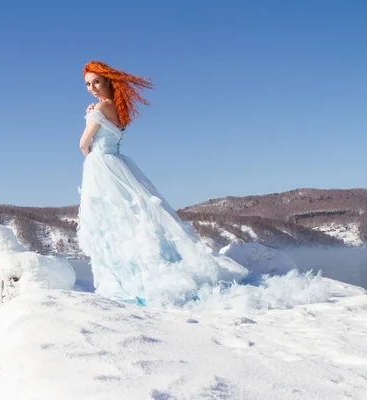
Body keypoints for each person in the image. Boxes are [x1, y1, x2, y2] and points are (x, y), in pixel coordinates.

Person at [76, 61, 249, 307]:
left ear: (107, 82)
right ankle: (140, 276)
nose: (92, 87)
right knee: (134, 219)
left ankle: (122, 284)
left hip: (102, 166)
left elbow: (84, 145)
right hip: (119, 164)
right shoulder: (116, 107)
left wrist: (91, 144)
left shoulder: (100, 109)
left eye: (96, 82)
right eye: (88, 84)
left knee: (112, 223)